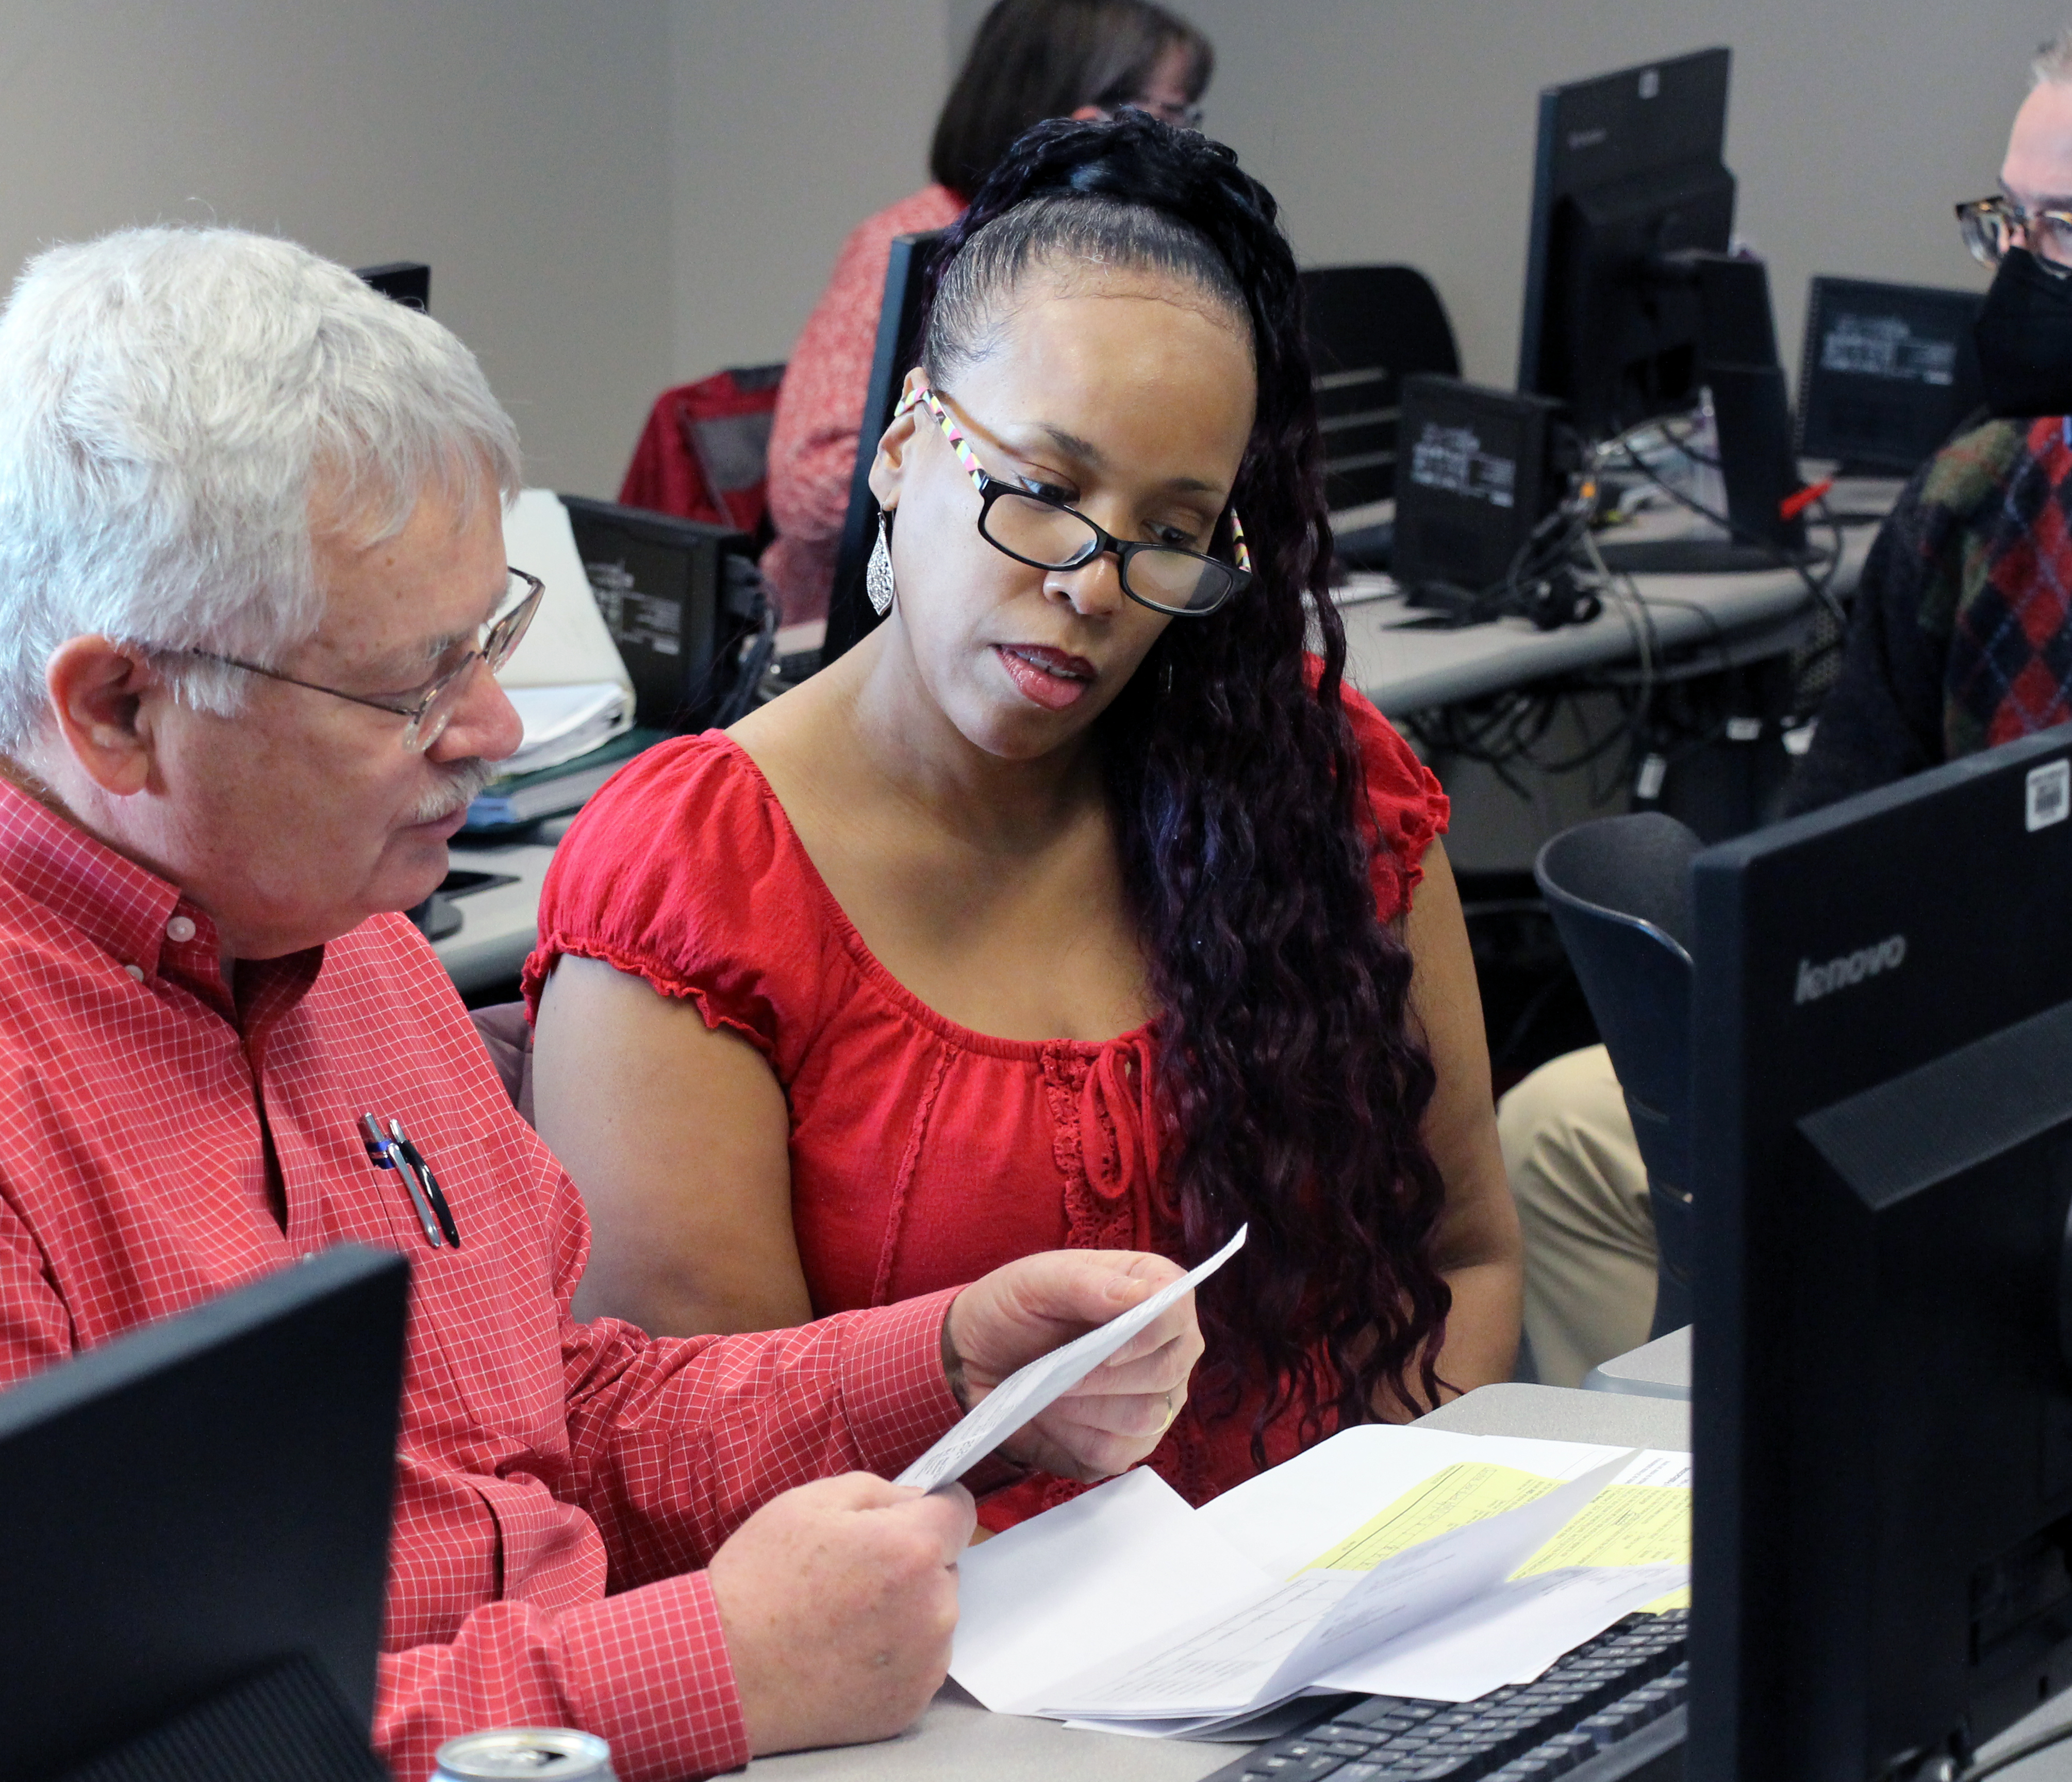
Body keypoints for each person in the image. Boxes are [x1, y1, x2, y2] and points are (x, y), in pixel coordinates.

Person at [0, 225, 1209, 1782]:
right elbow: (63, 1748)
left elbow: (551, 1420)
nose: (491, 732)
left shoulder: (317, 905)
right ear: (114, 708)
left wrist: (945, 1363)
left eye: (488, 640)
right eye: (411, 684)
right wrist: (712, 1663)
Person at [530, 117, 1523, 1534]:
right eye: (1045, 492)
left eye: (1173, 530)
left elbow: (1466, 1262)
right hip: (926, 1692)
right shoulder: (696, 878)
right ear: (901, 448)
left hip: (1320, 1641)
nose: (1093, 584)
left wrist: (1344, 1578)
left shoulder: (1315, 784)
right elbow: (700, 1479)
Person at [1503, 27, 2072, 1388]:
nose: (2016, 269)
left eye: (2065, 232)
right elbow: (1831, 868)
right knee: (1559, 1135)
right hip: (1959, 1057)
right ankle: (1689, 1556)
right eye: (2010, 218)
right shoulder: (1985, 495)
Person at [758, 0, 1213, 623]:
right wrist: (1017, 488)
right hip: (846, 631)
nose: (1183, 138)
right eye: (1170, 112)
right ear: (1088, 118)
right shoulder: (904, 241)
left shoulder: (1122, 268)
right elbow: (809, 490)